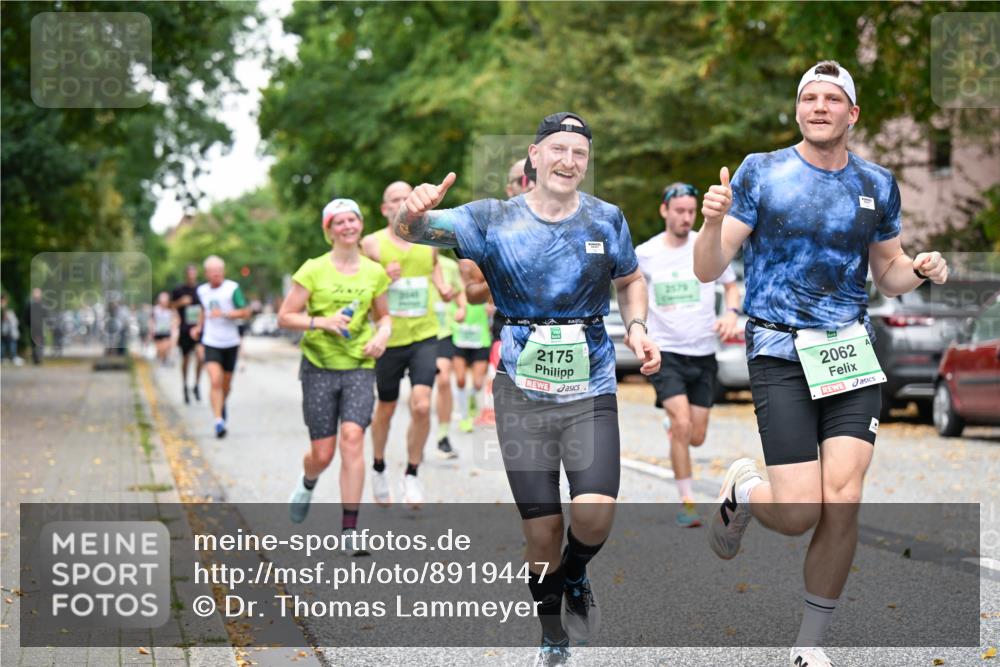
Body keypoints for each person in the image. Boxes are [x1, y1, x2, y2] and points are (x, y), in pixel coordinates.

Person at [693, 61, 949, 667]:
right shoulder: (763, 171)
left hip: (848, 351)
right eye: (809, 98)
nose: (818, 107)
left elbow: (886, 271)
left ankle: (808, 647)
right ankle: (746, 490)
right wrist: (709, 222)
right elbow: (708, 268)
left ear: (851, 113)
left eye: (832, 99)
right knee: (800, 511)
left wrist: (916, 270)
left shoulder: (877, 183)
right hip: (779, 349)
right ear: (798, 109)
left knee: (844, 498)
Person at [392, 112, 659, 666]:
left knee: (593, 515)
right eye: (557, 149)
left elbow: (630, 279)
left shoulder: (607, 219)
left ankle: (578, 571)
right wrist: (408, 212)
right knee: (541, 534)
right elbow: (413, 231)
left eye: (579, 153)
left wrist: (636, 327)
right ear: (534, 156)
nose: (569, 161)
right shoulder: (490, 218)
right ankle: (552, 633)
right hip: (521, 388)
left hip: (590, 383)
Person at [280, 198, 391, 549]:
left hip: (359, 365)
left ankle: (349, 530)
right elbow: (285, 316)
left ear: (360, 225)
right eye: (339, 222)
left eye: (352, 220)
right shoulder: (313, 269)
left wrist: (383, 334)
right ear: (329, 231)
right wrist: (320, 322)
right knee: (323, 454)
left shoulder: (374, 272)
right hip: (319, 367)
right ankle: (308, 480)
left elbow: (384, 316)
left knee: (353, 438)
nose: (347, 226)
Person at [635, 182, 741, 527]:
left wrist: (730, 313)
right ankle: (687, 503)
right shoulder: (646, 254)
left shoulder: (706, 244)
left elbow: (730, 285)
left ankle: (676, 424)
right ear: (664, 211)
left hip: (703, 352)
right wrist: (638, 328)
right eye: (679, 211)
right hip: (667, 353)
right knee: (682, 426)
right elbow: (630, 289)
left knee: (696, 435)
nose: (685, 217)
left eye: (690, 212)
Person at [360, 181, 455, 508]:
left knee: (421, 404)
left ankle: (412, 473)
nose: (402, 202)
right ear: (385, 209)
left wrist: (444, 289)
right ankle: (378, 465)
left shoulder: (427, 239)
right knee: (385, 407)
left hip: (424, 334)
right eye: (395, 199)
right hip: (388, 338)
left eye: (406, 197)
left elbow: (435, 270)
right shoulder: (371, 244)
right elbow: (360, 289)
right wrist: (382, 275)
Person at [192, 256, 251, 439]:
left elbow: (245, 312)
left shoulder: (232, 289)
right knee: (215, 380)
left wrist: (225, 313)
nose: (216, 273)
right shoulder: (201, 291)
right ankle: (218, 421)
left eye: (219, 270)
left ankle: (221, 404)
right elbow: (202, 311)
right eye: (213, 271)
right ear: (207, 273)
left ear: (223, 271)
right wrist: (198, 327)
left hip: (230, 342)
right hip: (211, 341)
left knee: (226, 384)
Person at [433, 251, 467, 457]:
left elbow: (459, 292)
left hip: (443, 330)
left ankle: (443, 435)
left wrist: (462, 307)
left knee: (444, 379)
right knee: (421, 396)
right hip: (414, 333)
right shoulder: (404, 259)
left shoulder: (449, 266)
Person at [172, 264, 204, 404]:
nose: (191, 275)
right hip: (185, 329)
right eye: (189, 273)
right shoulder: (179, 290)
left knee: (200, 356)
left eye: (193, 272)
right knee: (186, 360)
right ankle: (185, 386)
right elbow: (170, 306)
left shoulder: (202, 290)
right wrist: (181, 302)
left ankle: (196, 385)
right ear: (186, 274)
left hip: (199, 329)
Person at [150, 291, 177, 366]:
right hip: (157, 332)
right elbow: (152, 320)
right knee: (159, 349)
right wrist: (151, 330)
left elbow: (175, 320)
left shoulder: (170, 310)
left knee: (165, 347)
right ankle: (161, 360)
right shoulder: (155, 309)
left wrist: (173, 329)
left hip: (166, 331)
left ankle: (164, 359)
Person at [1, 294, 22, 365]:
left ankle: (3, 358)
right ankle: (12, 357)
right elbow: (5, 317)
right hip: (5, 329)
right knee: (10, 343)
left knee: (4, 343)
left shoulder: (5, 307)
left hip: (6, 329)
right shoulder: (2, 307)